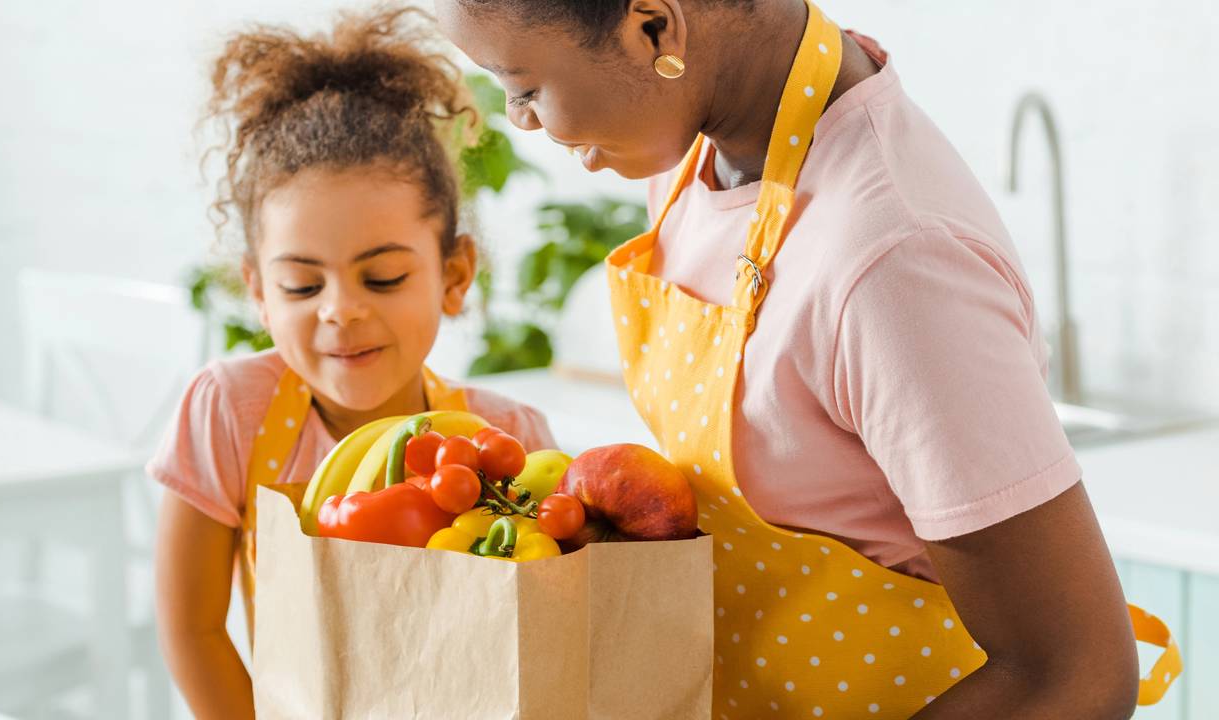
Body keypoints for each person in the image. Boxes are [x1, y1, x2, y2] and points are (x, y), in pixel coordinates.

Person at [435, 0, 1174, 717]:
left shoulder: (892, 263)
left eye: (522, 87)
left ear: (653, 27)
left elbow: (1070, 677)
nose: (519, 119)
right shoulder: (700, 150)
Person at [147, 8, 555, 718]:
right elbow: (192, 629)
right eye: (302, 286)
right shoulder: (230, 411)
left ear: (455, 274)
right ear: (259, 293)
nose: (340, 310)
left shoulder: (509, 436)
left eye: (383, 278)